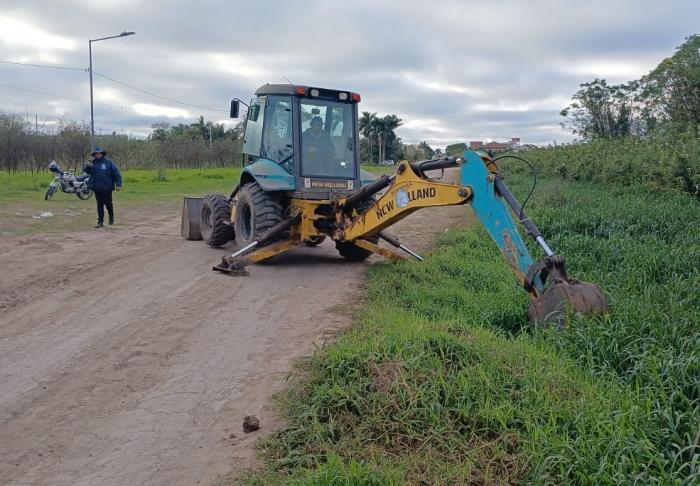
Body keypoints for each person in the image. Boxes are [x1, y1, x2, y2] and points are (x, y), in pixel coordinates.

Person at [84, 147, 122, 228]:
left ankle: (111, 217)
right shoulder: (92, 163)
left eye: (99, 153)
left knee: (108, 204)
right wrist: (88, 166)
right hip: (97, 188)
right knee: (99, 205)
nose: (97, 155)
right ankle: (100, 222)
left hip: (107, 187)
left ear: (102, 154)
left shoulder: (108, 162)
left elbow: (116, 173)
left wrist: (118, 184)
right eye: (96, 154)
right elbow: (87, 172)